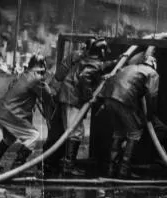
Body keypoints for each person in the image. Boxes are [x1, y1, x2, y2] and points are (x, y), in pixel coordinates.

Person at [49, 37, 114, 177]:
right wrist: (89, 96)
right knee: (75, 132)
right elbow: (87, 75)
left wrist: (114, 63)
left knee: (72, 131)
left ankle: (67, 164)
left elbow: (98, 66)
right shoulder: (88, 62)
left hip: (68, 96)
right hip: (72, 98)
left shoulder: (82, 57)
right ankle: (68, 167)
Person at [0, 55, 54, 177]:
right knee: (33, 136)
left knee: (9, 138)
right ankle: (17, 167)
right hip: (10, 113)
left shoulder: (22, 75)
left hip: (1, 111)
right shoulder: (36, 78)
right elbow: (48, 96)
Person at [101, 49, 159, 178]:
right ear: (154, 64)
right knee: (135, 132)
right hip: (123, 100)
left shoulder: (130, 67)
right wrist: (150, 116)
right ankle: (124, 170)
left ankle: (111, 169)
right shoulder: (152, 73)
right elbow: (152, 95)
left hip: (108, 98)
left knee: (119, 132)